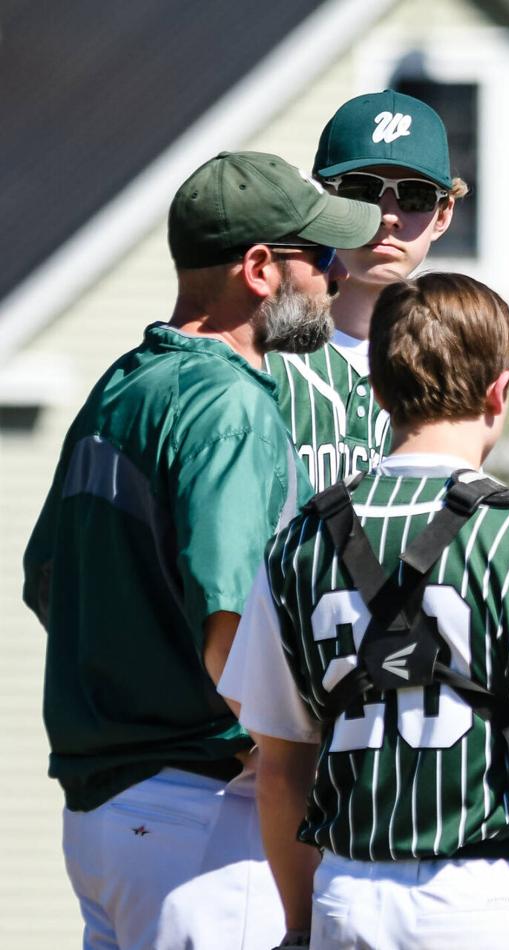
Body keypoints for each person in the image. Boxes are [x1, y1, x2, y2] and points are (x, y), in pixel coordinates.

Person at [220, 273, 509, 950]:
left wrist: (302, 927)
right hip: (484, 900)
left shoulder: (295, 545)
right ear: (499, 390)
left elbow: (281, 770)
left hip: (347, 894)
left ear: (380, 393)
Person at [21, 150, 380, 950]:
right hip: (203, 822)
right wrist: (306, 777)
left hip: (104, 814)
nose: (335, 277)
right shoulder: (230, 405)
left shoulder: (122, 385)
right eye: (318, 256)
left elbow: (45, 581)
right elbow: (233, 633)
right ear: (259, 267)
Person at [268, 89, 467, 491]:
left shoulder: (458, 362)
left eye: (415, 195)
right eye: (361, 189)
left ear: (443, 214)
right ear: (320, 199)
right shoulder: (263, 351)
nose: (390, 215)